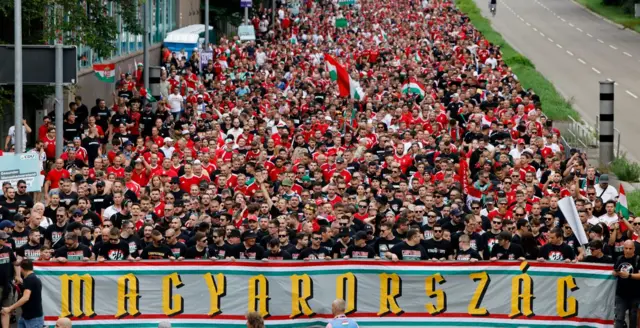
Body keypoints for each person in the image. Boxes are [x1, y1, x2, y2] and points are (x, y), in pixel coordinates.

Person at [1, 260, 42, 328]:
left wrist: (10, 308)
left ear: (21, 268)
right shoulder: (33, 278)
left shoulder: (30, 280)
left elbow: (25, 298)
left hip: (33, 319)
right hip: (26, 316)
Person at [612, 240, 640, 328]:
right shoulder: (620, 258)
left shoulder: (638, 259)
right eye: (626, 248)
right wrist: (615, 273)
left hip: (634, 294)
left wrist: (629, 275)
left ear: (634, 249)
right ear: (623, 249)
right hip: (621, 294)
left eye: (630, 248)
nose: (628, 250)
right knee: (619, 318)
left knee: (633, 318)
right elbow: (614, 270)